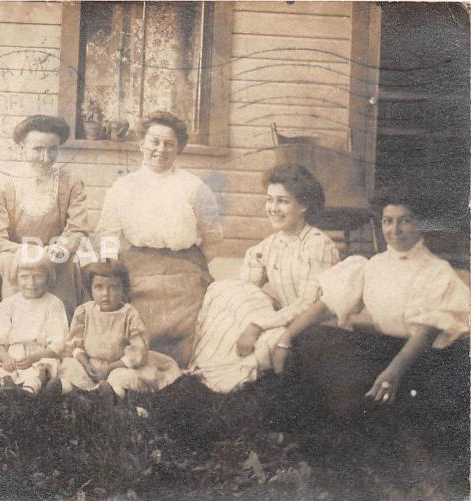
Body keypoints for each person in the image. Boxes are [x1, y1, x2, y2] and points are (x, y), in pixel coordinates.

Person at [271, 194, 470, 426]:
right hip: (382, 348)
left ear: (420, 224)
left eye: (404, 221)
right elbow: (327, 305)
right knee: (311, 337)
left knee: (355, 402)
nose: (394, 229)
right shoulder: (374, 265)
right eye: (388, 221)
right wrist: (285, 339)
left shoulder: (436, 271)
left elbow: (428, 332)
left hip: (420, 358)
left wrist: (392, 373)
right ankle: (299, 422)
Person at [188, 164, 339, 392]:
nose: (273, 208)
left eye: (283, 201)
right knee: (224, 289)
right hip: (283, 322)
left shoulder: (319, 245)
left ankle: (222, 381)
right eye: (270, 200)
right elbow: (244, 293)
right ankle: (208, 369)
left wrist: (258, 324)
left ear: (304, 205)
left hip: (312, 328)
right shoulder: (271, 245)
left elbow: (309, 305)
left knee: (264, 342)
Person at [94, 110, 223, 366]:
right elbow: (107, 233)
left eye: (169, 144)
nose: (161, 149)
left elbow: (212, 237)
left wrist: (191, 264)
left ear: (179, 149)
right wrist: (111, 269)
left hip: (185, 271)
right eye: (154, 141)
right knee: (137, 326)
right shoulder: (124, 186)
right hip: (137, 267)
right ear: (142, 143)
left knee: (192, 329)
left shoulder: (196, 187)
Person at [0, 115, 88, 319]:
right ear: (22, 148)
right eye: (37, 149)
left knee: (66, 262)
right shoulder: (2, 185)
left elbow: (76, 229)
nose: (46, 157)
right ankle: (16, 328)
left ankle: (61, 331)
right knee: (9, 261)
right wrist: (31, 253)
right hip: (16, 254)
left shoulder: (72, 183)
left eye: (53, 149)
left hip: (55, 252)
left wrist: (57, 249)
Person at [59, 259, 181, 399]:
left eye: (113, 287)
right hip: (90, 363)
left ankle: (110, 398)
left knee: (123, 378)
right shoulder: (84, 312)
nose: (105, 293)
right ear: (90, 289)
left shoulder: (129, 314)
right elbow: (76, 344)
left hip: (119, 364)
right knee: (70, 368)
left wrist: (110, 367)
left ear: (123, 289)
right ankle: (80, 395)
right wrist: (86, 365)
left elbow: (138, 349)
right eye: (99, 287)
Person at [0, 247, 67, 397]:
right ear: (16, 277)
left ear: (47, 277)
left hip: (39, 353)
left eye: (37, 276)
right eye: (24, 277)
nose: (31, 282)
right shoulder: (8, 304)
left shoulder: (53, 304)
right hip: (10, 353)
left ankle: (28, 390)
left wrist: (35, 357)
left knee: (46, 365)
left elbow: (58, 343)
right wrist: (5, 357)